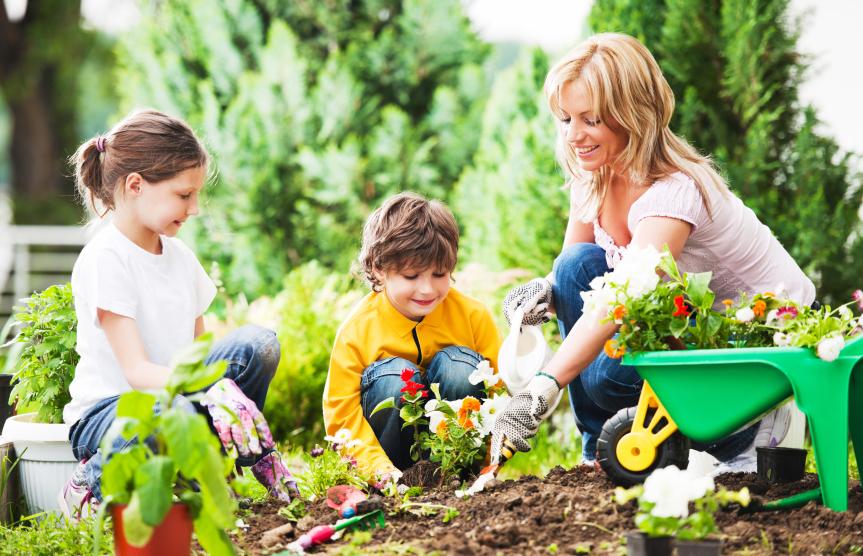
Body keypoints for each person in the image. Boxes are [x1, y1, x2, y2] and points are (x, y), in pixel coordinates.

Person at [491, 33, 814, 472]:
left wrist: (542, 388)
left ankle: (739, 432)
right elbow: (576, 267)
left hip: (752, 351)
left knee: (605, 374)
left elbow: (622, 295)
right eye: (566, 119)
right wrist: (541, 294)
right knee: (571, 272)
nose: (573, 135)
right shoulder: (596, 173)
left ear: (632, 114)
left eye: (590, 119)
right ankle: (599, 451)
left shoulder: (675, 191)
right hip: (685, 326)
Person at [60, 109, 297, 518]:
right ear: (136, 185)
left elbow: (199, 351)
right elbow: (136, 371)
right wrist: (209, 387)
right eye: (184, 195)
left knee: (259, 345)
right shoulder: (107, 258)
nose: (195, 208)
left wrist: (218, 389)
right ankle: (91, 481)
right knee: (174, 410)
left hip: (176, 400)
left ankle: (215, 462)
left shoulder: (180, 257)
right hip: (111, 413)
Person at [323, 192, 502, 478]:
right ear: (379, 269)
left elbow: (499, 393)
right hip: (390, 466)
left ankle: (456, 474)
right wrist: (380, 472)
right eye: (411, 276)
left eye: (439, 274)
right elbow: (342, 417)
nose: (428, 290)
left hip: (456, 452)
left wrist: (490, 465)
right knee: (395, 377)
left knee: (461, 369)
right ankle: (401, 477)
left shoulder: (472, 316)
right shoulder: (357, 331)